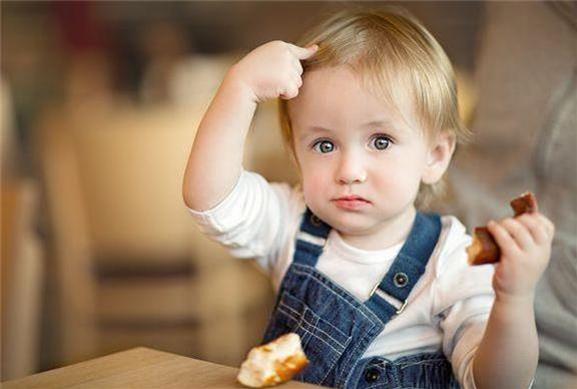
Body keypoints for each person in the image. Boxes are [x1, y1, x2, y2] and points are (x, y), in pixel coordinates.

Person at [182, 7, 554, 388]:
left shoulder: (451, 262)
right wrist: (239, 89)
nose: (349, 170)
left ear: (435, 156)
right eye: (324, 144)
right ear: (296, 154)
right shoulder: (290, 222)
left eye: (381, 141)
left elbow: (496, 383)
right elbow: (210, 200)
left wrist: (513, 298)